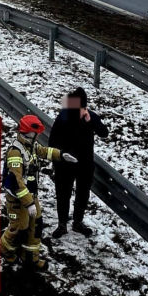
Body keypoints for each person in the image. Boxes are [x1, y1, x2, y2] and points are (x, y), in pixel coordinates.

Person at [0, 115, 77, 270]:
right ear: (29, 132)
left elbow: (43, 151)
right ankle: (6, 251)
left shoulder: (31, 145)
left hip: (30, 195)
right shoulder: (15, 153)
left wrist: (61, 155)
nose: (39, 136)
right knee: (18, 228)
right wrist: (28, 204)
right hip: (18, 200)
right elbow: (17, 182)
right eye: (37, 133)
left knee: (35, 225)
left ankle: (30, 258)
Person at [49, 87, 108, 238]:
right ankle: (62, 224)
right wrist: (58, 158)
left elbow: (104, 133)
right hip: (64, 165)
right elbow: (53, 140)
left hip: (85, 165)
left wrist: (91, 122)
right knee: (63, 194)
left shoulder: (91, 117)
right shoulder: (64, 117)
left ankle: (77, 222)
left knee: (83, 194)